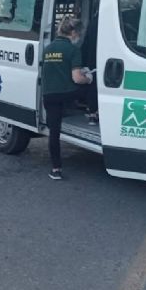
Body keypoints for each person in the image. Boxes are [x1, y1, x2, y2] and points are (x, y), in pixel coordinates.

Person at [41, 17, 97, 180]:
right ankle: (92, 114)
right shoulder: (73, 50)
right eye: (78, 33)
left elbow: (57, 70)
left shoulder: (48, 49)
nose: (78, 36)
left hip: (49, 95)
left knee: (54, 132)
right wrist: (88, 77)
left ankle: (56, 169)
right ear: (73, 33)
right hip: (67, 93)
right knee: (91, 84)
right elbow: (77, 78)